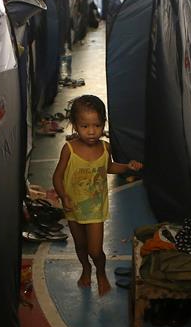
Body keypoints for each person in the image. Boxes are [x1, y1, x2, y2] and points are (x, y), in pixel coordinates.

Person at [52, 95, 143, 296]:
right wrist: (63, 195)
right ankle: (86, 268)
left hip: (95, 207)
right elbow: (57, 177)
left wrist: (127, 167)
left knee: (95, 250)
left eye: (97, 125)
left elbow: (108, 167)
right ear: (75, 125)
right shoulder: (69, 149)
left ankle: (101, 273)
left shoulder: (105, 147)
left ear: (103, 124)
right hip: (73, 208)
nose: (92, 131)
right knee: (80, 246)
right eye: (85, 126)